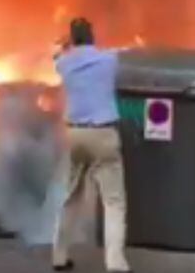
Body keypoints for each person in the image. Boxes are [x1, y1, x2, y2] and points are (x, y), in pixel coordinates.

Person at [50, 17, 131, 273]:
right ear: (92, 36)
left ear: (73, 39)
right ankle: (115, 263)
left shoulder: (64, 64)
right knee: (113, 202)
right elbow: (126, 53)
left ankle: (59, 257)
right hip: (103, 134)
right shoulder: (108, 59)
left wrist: (64, 46)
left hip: (75, 134)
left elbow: (56, 56)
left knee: (71, 197)